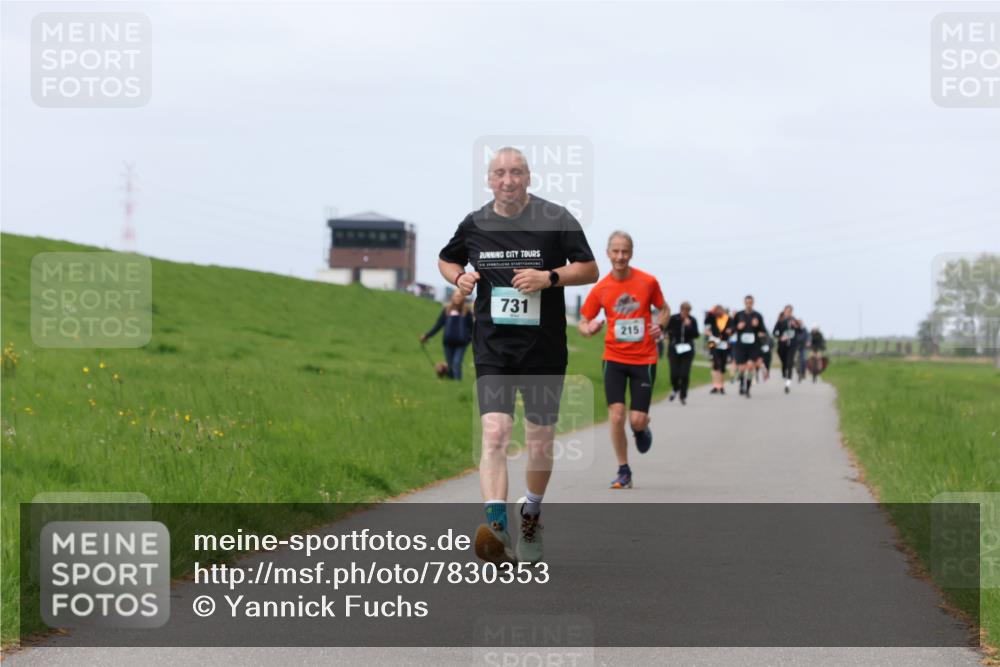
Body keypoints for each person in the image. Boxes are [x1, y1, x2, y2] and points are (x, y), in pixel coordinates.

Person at [438, 146, 598, 564]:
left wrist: (549, 277)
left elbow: (589, 268)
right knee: (494, 433)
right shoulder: (474, 224)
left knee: (540, 439)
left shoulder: (555, 219)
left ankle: (530, 513)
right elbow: (446, 257)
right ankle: (497, 527)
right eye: (499, 173)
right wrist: (459, 276)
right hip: (492, 346)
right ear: (489, 181)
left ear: (529, 179)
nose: (507, 180)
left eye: (516, 172)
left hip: (543, 349)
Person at [578, 231, 668, 490]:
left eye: (625, 251)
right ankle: (623, 469)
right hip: (614, 358)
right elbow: (584, 321)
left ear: (631, 253)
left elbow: (664, 309)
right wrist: (588, 329)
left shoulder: (648, 282)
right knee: (616, 416)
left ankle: (641, 428)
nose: (620, 256)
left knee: (636, 419)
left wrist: (659, 325)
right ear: (608, 253)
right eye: (615, 251)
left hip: (644, 358)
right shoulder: (601, 288)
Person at [420, 290, 474, 380]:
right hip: (448, 343)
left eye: (460, 296)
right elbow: (438, 325)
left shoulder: (466, 311)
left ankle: (458, 383)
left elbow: (472, 328)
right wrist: (427, 335)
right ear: (452, 297)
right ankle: (451, 382)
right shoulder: (447, 310)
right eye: (456, 296)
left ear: (463, 298)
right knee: (450, 365)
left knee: (456, 363)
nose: (458, 297)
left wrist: (469, 340)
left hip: (461, 343)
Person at [732, 295, 767, 398]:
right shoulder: (738, 315)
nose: (749, 305)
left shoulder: (758, 316)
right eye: (747, 303)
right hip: (741, 345)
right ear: (744, 303)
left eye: (750, 303)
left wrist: (758, 326)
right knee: (742, 368)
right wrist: (738, 327)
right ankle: (742, 383)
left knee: (751, 367)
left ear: (753, 303)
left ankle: (748, 388)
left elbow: (763, 331)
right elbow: (732, 329)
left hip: (753, 345)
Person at [666, 302, 699, 405]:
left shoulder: (692, 320)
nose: (686, 313)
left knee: (684, 374)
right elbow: (666, 330)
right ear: (680, 310)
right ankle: (675, 388)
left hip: (687, 349)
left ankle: (683, 395)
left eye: (688, 311)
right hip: (674, 349)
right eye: (684, 310)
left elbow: (696, 334)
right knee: (674, 374)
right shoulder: (673, 319)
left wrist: (689, 326)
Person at [773, 306, 803, 393]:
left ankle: (787, 384)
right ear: (784, 312)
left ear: (792, 312)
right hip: (782, 346)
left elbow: (801, 331)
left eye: (790, 311)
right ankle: (784, 371)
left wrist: (797, 326)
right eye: (787, 311)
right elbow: (774, 332)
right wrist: (780, 337)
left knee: (789, 364)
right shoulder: (780, 321)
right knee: (784, 363)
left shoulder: (795, 321)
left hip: (792, 346)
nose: (788, 313)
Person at [704, 305, 733, 394]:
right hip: (712, 341)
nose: (719, 312)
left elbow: (733, 328)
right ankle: (715, 385)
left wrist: (730, 330)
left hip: (724, 342)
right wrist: (711, 311)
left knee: (722, 364)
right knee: (714, 363)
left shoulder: (728, 319)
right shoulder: (712, 318)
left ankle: (721, 386)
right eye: (717, 310)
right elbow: (706, 322)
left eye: (720, 310)